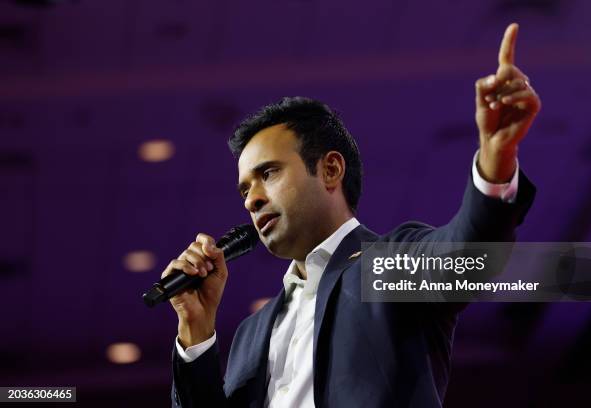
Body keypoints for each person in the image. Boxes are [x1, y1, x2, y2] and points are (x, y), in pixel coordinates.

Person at [162, 23, 540, 408]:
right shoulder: (250, 333)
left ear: (330, 170)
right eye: (244, 190)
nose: (251, 200)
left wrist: (496, 161)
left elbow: (468, 255)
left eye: (268, 174)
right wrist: (196, 330)